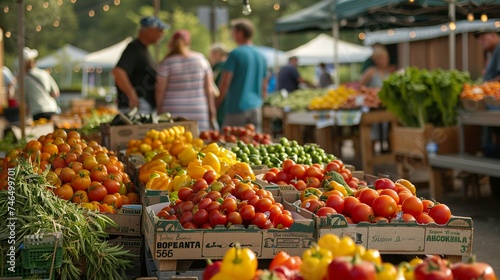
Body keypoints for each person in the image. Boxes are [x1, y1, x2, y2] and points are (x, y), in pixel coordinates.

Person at [155, 30, 217, 132]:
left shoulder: (167, 62)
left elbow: (160, 89)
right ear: (188, 42)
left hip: (173, 110)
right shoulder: (200, 59)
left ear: (171, 43)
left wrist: (159, 109)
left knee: (174, 143)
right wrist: (211, 109)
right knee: (200, 143)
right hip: (199, 110)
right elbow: (209, 88)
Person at [217, 18, 267, 132]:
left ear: (240, 33)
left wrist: (216, 104)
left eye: (233, 32)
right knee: (255, 143)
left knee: (229, 142)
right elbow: (264, 85)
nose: (232, 35)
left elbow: (225, 82)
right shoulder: (261, 56)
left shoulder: (235, 54)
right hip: (256, 107)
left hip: (237, 108)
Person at [112, 16, 168, 113]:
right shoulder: (134, 48)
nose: (162, 34)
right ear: (149, 31)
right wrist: (132, 95)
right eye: (160, 30)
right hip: (138, 106)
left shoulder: (143, 50)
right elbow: (118, 72)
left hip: (143, 105)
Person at [475, 28, 500, 198]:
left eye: (483, 38)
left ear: (493, 35)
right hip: (492, 107)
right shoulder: (492, 53)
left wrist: (486, 85)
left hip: (496, 107)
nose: (481, 42)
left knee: (493, 146)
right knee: (492, 146)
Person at [23, 47, 60, 121]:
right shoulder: (44, 73)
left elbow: (23, 102)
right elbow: (56, 93)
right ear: (34, 62)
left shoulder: (23, 79)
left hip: (36, 112)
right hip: (51, 109)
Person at [209, 43, 228, 128]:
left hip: (220, 106)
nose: (210, 57)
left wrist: (214, 106)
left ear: (218, 54)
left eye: (212, 54)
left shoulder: (218, 68)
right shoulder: (227, 66)